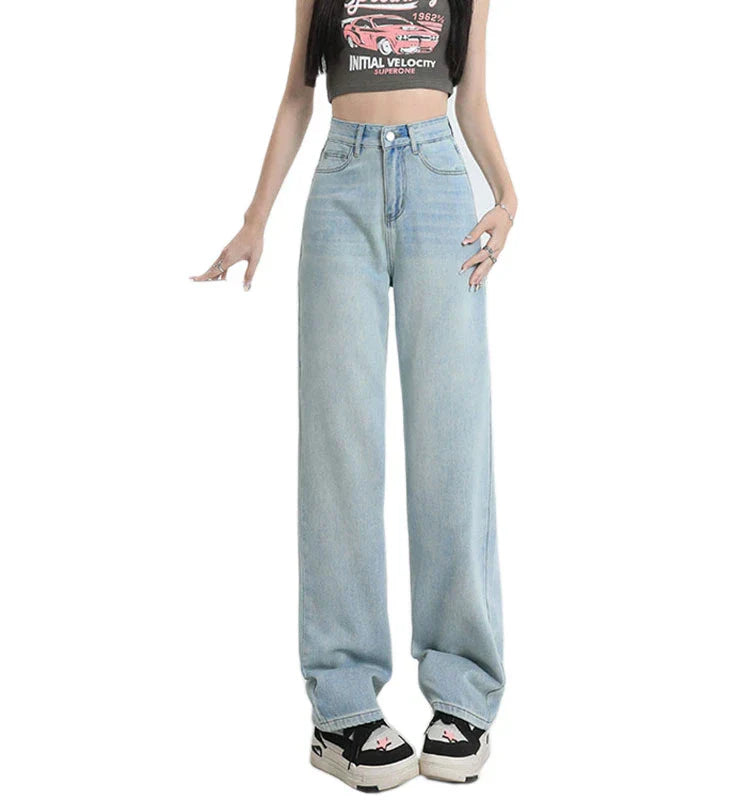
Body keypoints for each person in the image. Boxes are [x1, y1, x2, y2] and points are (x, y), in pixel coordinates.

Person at [191, 0, 516, 790]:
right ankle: (342, 709)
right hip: (340, 184)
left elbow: (472, 98)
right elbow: (297, 94)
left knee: (452, 440)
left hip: (440, 187)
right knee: (339, 444)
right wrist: (255, 219)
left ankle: (461, 693)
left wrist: (508, 198)